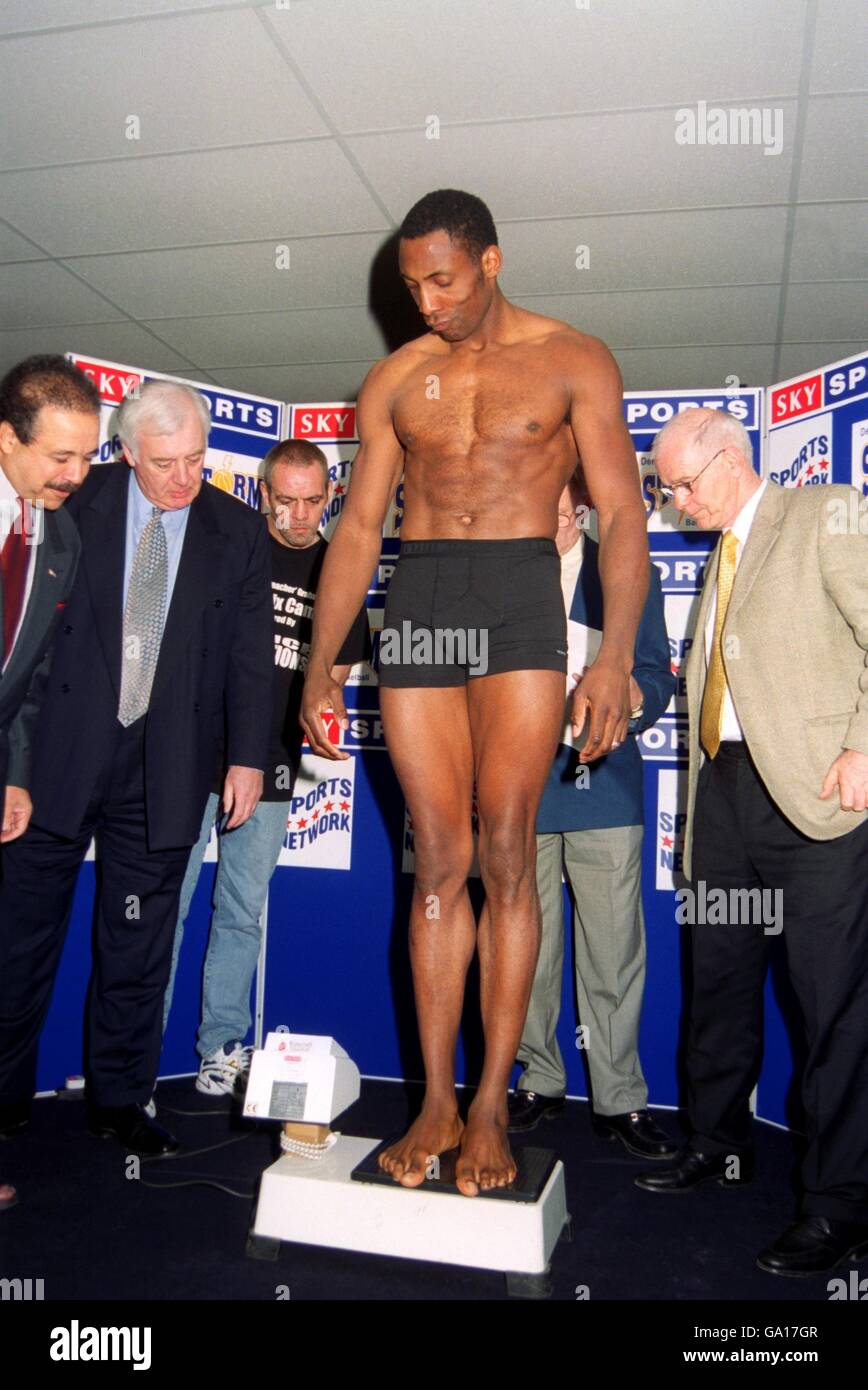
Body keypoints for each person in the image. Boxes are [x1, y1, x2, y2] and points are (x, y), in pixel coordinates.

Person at [302, 189, 648, 1196]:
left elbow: (622, 516)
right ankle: (436, 1101)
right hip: (418, 594)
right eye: (411, 285)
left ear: (490, 261)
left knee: (506, 850)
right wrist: (323, 661)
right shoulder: (396, 378)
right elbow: (361, 527)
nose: (427, 301)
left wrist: (615, 654)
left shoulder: (573, 356)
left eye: (442, 279)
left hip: (516, 599)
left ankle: (493, 1098)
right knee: (439, 859)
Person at [0, 380, 272, 1158]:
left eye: (196, 459)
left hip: (167, 764)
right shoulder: (68, 501)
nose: (184, 479)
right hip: (55, 756)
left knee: (139, 945)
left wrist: (247, 756)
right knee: (20, 938)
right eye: (165, 463)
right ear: (125, 452)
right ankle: (4, 1095)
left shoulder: (237, 530)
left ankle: (121, 1101)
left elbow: (252, 659)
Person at [635, 406, 868, 1278]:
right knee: (719, 980)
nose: (675, 503)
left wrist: (863, 744)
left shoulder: (825, 513)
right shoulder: (721, 556)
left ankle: (840, 1205)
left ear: (730, 460)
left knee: (833, 1008)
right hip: (726, 795)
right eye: (665, 489)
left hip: (812, 800)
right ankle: (717, 1142)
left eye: (683, 485)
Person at [162, 440, 370, 1094]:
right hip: (197, 755)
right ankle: (131, 1059)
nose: (300, 514)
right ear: (263, 495)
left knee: (241, 911)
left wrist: (324, 715)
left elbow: (332, 681)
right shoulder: (231, 549)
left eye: (314, 501)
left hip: (276, 763)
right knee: (166, 905)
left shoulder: (340, 571)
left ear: (331, 497)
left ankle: (220, 1048)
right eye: (287, 500)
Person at [507, 468, 677, 1159]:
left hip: (604, 785)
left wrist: (623, 701)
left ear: (581, 505)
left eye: (567, 510)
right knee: (527, 950)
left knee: (613, 954)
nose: (559, 523)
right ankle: (537, 1080)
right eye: (542, 513)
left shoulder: (626, 574)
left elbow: (661, 674)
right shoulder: (503, 580)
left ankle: (619, 1099)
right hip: (518, 790)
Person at [0, 354, 100, 1212]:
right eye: (58, 458)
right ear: (7, 438)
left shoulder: (59, 538)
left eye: (86, 458)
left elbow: (27, 680)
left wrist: (19, 776)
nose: (75, 476)